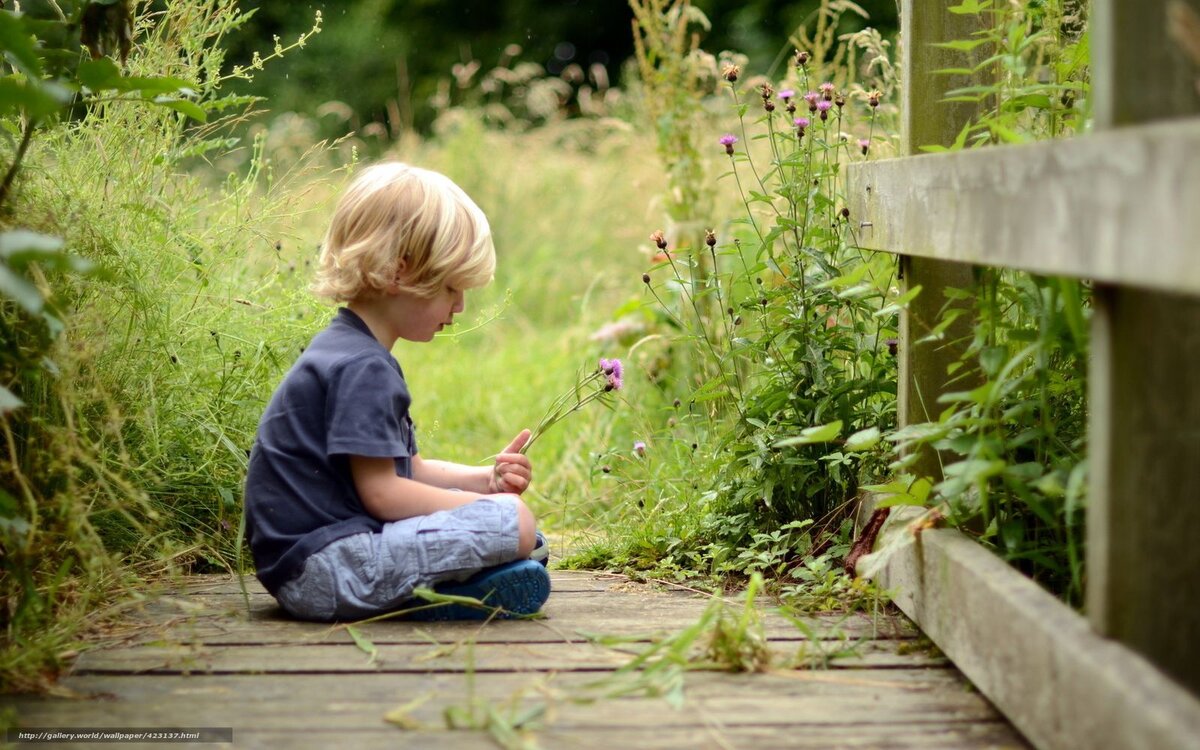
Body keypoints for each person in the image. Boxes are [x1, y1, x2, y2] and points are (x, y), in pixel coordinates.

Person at [243, 162, 550, 622]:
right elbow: (384, 495)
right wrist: (494, 508)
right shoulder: (363, 367)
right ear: (398, 273)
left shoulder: (350, 350)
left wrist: (482, 482)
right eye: (451, 287)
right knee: (514, 524)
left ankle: (464, 585)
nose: (461, 305)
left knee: (523, 534)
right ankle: (442, 596)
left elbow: (410, 470)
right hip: (326, 569)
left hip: (311, 565)